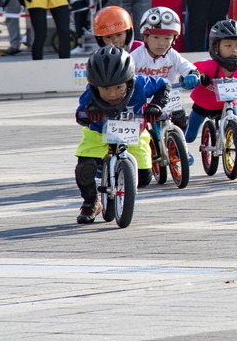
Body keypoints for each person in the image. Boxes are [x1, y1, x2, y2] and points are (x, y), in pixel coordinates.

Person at [72, 46, 169, 223]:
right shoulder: (90, 93)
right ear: (95, 86)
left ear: (129, 81)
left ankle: (119, 177)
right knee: (84, 170)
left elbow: (163, 86)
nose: (113, 94)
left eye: (119, 87)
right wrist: (87, 114)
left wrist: (156, 106)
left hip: (133, 130)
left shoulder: (141, 84)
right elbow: (80, 113)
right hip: (98, 132)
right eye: (105, 89)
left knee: (144, 178)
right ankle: (91, 201)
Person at [185, 20, 237, 177]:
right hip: (203, 105)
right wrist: (198, 77)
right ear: (216, 47)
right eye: (228, 46)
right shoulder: (207, 66)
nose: (234, 50)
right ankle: (179, 152)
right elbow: (190, 73)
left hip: (229, 105)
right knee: (189, 134)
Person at [129, 6, 197, 133]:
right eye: (156, 37)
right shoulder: (136, 56)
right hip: (143, 100)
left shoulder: (172, 55)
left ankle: (180, 150)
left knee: (182, 121)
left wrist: (192, 75)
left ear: (174, 39)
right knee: (138, 129)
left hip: (168, 99)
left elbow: (188, 68)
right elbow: (125, 74)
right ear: (145, 37)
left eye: (167, 38)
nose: (161, 43)